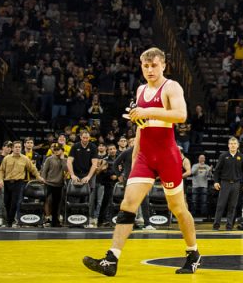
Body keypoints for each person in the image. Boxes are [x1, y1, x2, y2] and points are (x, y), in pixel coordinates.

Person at [83, 48, 201, 276]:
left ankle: (193, 253)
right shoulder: (140, 90)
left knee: (177, 208)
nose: (150, 70)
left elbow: (181, 115)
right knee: (127, 204)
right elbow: (140, 127)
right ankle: (112, 259)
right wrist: (134, 159)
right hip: (145, 156)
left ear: (163, 65)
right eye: (146, 66)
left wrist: (147, 110)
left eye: (154, 65)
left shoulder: (171, 87)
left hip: (167, 157)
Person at [0, 141, 42, 227]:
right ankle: (9, 219)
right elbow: (1, 170)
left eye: (19, 147)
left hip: (18, 182)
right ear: (12, 148)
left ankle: (9, 222)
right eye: (16, 147)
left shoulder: (25, 158)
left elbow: (33, 169)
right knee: (6, 202)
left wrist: (39, 177)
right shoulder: (6, 158)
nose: (17, 148)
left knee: (14, 203)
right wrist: (0, 180)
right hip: (7, 182)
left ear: (21, 148)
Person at [211, 138, 243, 230]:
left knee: (232, 206)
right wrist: (216, 181)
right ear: (228, 145)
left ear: (237, 145)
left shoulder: (242, 157)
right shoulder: (223, 156)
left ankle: (229, 226)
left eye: (234, 143)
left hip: (236, 184)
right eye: (231, 143)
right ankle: (216, 225)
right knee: (221, 205)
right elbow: (217, 170)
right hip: (225, 183)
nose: (232, 145)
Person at [41, 144, 68, 227]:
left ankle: (55, 221)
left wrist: (63, 159)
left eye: (58, 149)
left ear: (62, 150)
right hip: (49, 183)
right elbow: (44, 171)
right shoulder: (49, 159)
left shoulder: (64, 159)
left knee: (57, 203)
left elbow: (66, 169)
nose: (56, 151)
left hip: (59, 184)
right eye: (55, 150)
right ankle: (46, 218)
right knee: (47, 201)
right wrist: (43, 180)